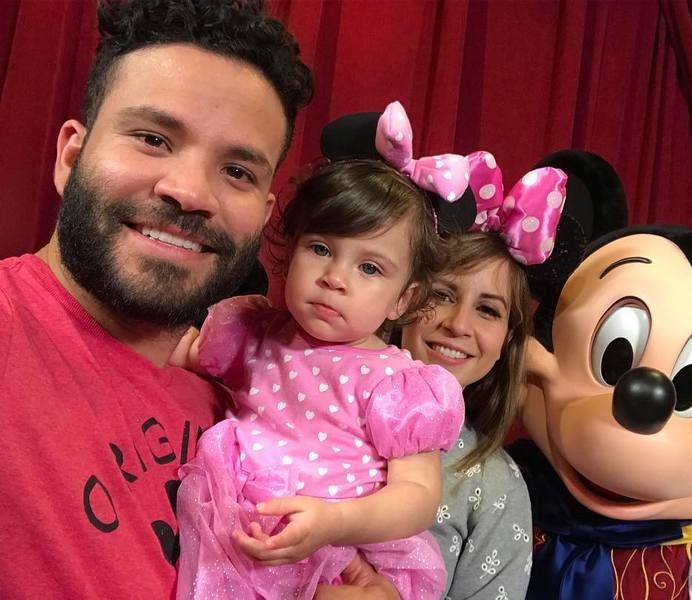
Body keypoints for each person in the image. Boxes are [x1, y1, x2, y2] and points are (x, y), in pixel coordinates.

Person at [0, 1, 312, 598]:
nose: (191, 192)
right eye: (153, 138)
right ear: (71, 155)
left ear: (265, 216)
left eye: (238, 172)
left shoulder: (242, 408)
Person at [171, 157, 468, 599]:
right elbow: (177, 353)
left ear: (402, 300)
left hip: (341, 549)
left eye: (370, 268)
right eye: (321, 249)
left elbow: (419, 495)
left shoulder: (397, 385)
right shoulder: (254, 332)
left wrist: (337, 521)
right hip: (237, 523)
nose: (335, 278)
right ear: (290, 253)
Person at [315, 150, 569, 599]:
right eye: (443, 294)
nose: (458, 324)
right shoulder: (313, 394)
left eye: (488, 310)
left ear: (508, 342)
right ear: (402, 300)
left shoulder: (497, 485)